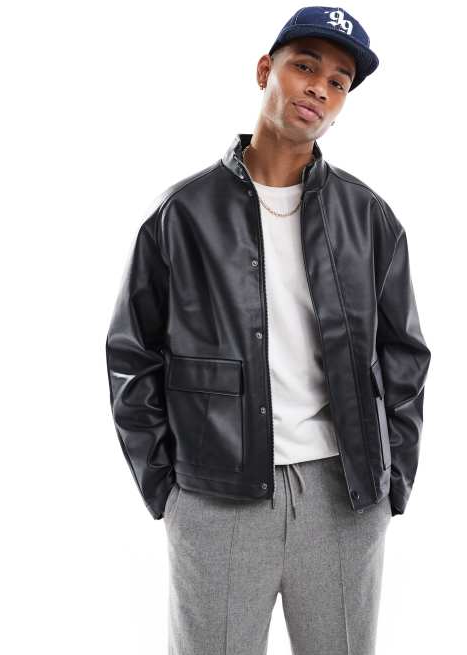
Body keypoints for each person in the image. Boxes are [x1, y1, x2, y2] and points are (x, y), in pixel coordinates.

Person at [105, 6, 431, 654]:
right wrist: (166, 488)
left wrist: (391, 482)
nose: (319, 88)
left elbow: (404, 357)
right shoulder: (183, 214)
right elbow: (131, 354)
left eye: (337, 81)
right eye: (305, 66)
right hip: (216, 495)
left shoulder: (369, 217)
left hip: (343, 496)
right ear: (265, 71)